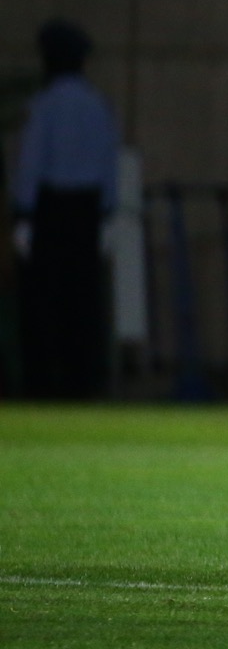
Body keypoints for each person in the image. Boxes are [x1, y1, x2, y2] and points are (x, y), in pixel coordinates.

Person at [11, 21, 120, 400]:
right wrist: (107, 215)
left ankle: (42, 384)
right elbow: (110, 164)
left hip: (51, 211)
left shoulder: (44, 106)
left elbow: (31, 164)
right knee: (84, 303)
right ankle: (84, 383)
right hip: (88, 212)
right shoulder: (97, 105)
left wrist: (23, 216)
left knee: (43, 303)